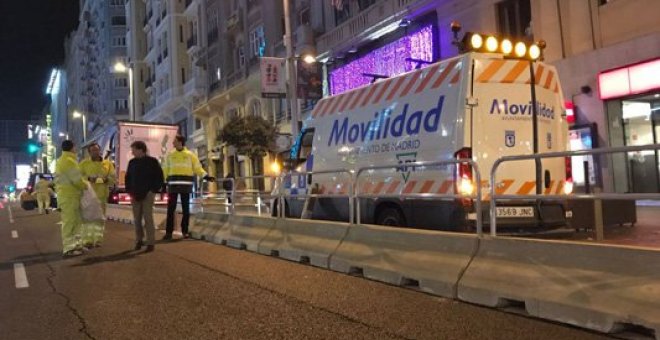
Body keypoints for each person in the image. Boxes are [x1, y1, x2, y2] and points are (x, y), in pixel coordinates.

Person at [161, 135, 211, 240]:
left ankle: (185, 231)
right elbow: (165, 169)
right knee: (170, 209)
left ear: (180, 142)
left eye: (174, 141)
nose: (172, 143)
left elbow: (197, 167)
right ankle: (168, 233)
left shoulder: (190, 155)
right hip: (173, 185)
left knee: (186, 210)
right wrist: (163, 182)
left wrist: (206, 176)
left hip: (185, 185)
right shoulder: (170, 155)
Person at [125, 141, 164, 252]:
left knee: (148, 219)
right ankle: (139, 240)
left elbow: (159, 177)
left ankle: (150, 242)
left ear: (141, 149)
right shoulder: (132, 163)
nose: (132, 152)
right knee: (137, 220)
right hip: (135, 194)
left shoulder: (152, 162)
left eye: (134, 150)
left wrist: (153, 190)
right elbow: (128, 178)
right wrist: (129, 191)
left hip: (148, 194)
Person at [79, 143, 116, 248]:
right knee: (88, 219)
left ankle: (98, 239)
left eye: (97, 150)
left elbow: (113, 179)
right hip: (88, 196)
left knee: (100, 219)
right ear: (89, 152)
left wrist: (104, 180)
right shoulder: (84, 163)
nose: (95, 152)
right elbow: (78, 178)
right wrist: (88, 179)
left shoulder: (107, 164)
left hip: (102, 196)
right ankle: (88, 240)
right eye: (93, 150)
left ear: (100, 150)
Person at [55, 140, 86, 257]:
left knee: (76, 222)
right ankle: (68, 249)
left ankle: (77, 245)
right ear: (72, 148)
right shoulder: (68, 161)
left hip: (70, 195)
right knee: (69, 223)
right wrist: (85, 185)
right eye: (75, 147)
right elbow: (76, 179)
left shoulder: (64, 160)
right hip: (69, 196)